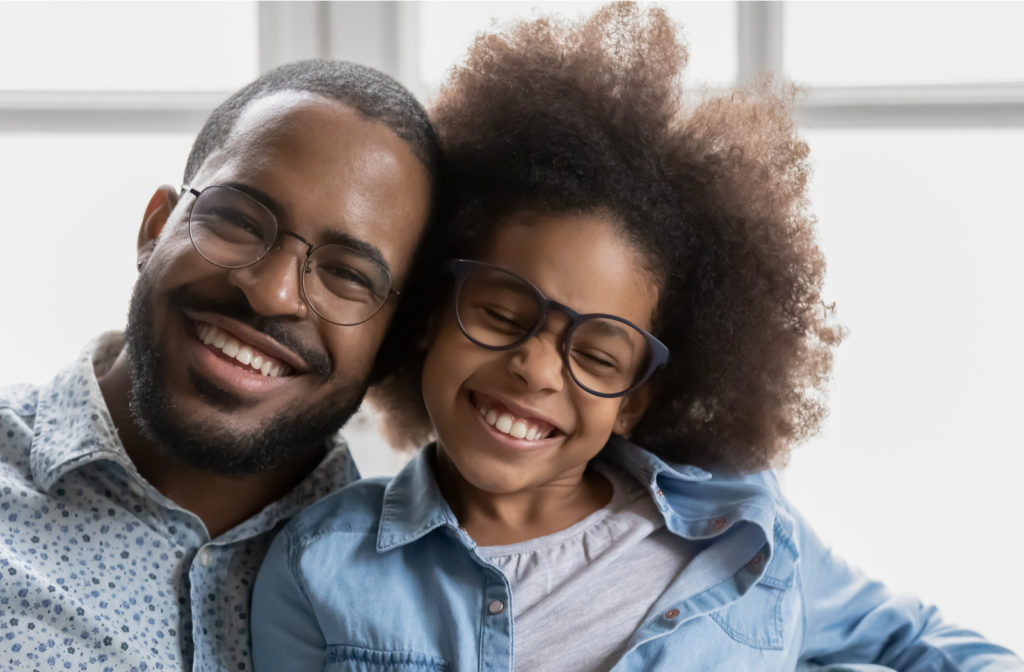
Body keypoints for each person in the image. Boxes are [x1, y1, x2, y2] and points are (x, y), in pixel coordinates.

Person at [250, 5, 1023, 671]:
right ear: (429, 309)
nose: (535, 368)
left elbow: (921, 641)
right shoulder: (320, 567)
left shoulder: (745, 535)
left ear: (633, 400)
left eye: (596, 355)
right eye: (501, 313)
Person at [0, 60, 436, 670]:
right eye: (237, 219)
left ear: (392, 347)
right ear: (155, 227)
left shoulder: (430, 598)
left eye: (346, 274)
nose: (272, 293)